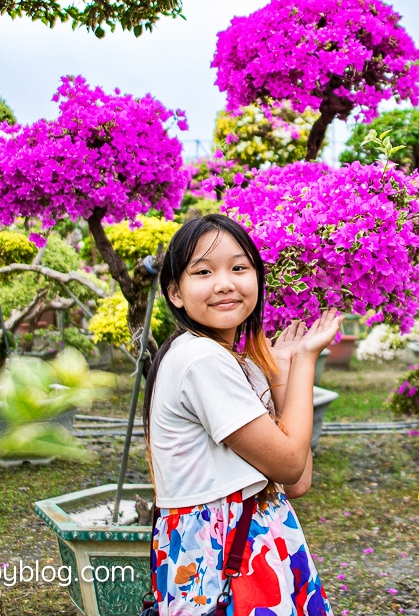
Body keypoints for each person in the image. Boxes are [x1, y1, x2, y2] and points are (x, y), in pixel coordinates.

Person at [143, 213, 340, 616]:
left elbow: (297, 479)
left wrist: (283, 373)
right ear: (175, 293)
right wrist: (304, 361)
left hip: (255, 540)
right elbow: (288, 465)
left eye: (239, 267)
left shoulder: (232, 359)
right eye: (202, 271)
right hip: (224, 556)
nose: (225, 283)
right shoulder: (200, 360)